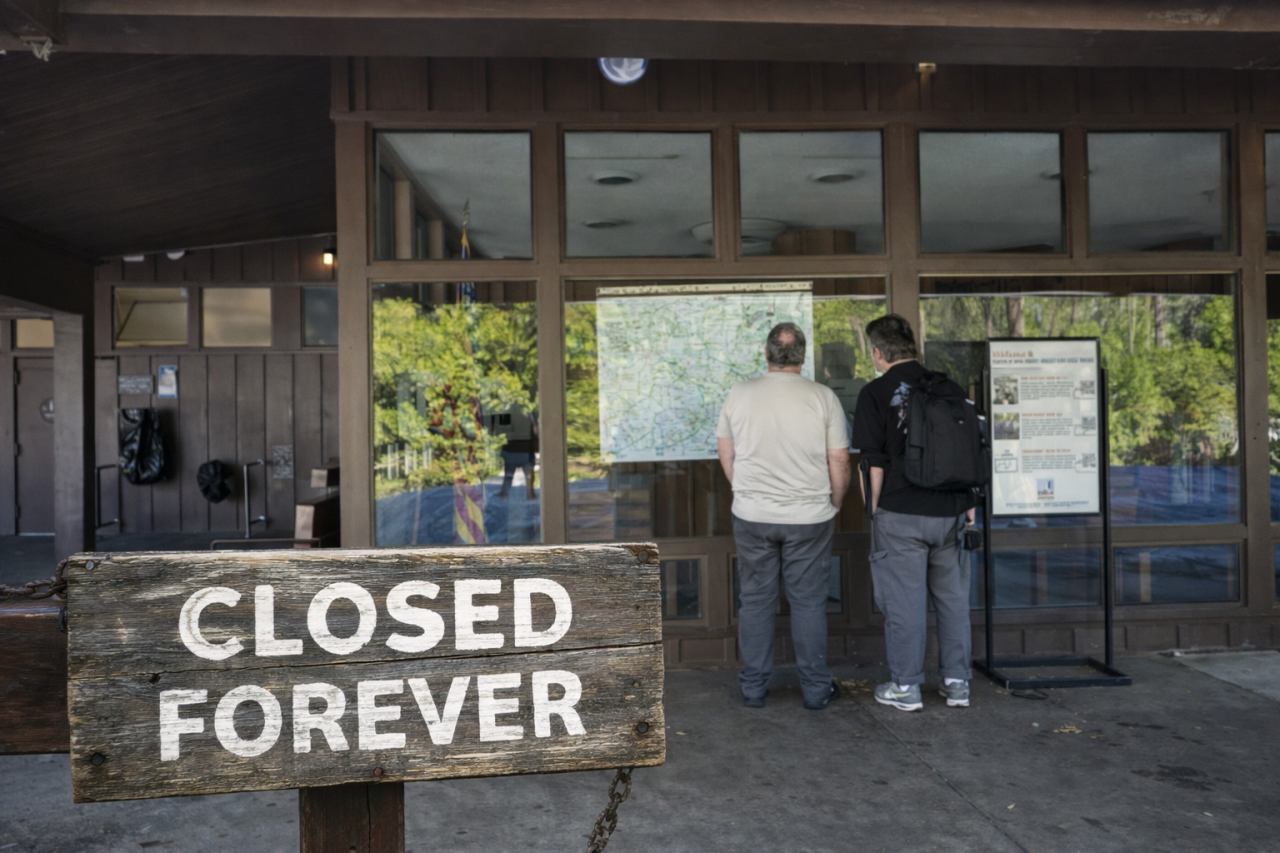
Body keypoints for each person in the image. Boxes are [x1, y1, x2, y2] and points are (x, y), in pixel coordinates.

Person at [716, 322, 851, 711]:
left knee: (756, 600)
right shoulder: (822, 396)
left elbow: (727, 453)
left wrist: (745, 491)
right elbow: (839, 458)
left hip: (752, 513)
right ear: (804, 356)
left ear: (766, 353)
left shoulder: (740, 394)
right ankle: (814, 689)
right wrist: (836, 499)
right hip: (809, 515)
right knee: (808, 602)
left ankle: (754, 688)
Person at [851, 314, 978, 711]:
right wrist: (970, 507)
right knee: (953, 601)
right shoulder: (949, 387)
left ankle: (906, 688)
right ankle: (957, 683)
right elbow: (969, 452)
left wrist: (875, 512)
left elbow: (873, 463)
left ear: (877, 352)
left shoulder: (874, 393)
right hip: (954, 509)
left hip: (901, 513)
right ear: (913, 347)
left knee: (904, 605)